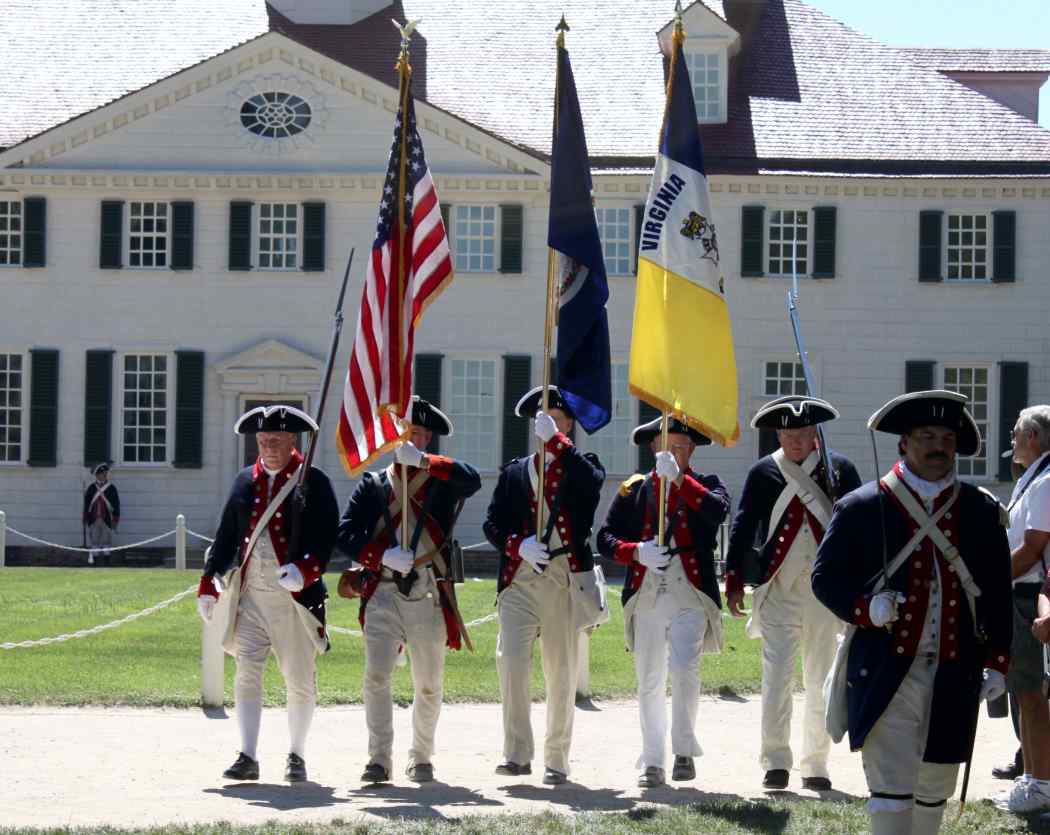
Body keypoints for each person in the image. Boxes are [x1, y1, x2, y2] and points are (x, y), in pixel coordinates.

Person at [812, 390, 1012, 835]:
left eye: (945, 436)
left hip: (956, 671)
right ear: (904, 443)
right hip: (887, 669)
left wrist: (998, 661)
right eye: (925, 435)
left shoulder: (980, 511)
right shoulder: (863, 507)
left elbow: (997, 593)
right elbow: (824, 581)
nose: (938, 446)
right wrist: (866, 609)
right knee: (890, 791)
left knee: (934, 786)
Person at [336, 396, 481, 784]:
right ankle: (379, 759)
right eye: (403, 432)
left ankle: (421, 756)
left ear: (428, 438)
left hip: (428, 592)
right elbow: (345, 534)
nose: (410, 439)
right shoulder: (374, 484)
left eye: (417, 433)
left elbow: (473, 479)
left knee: (428, 683)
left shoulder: (441, 479)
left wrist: (426, 464)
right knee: (376, 677)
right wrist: (380, 555)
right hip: (382, 591)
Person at [196, 404, 339, 783]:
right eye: (262, 440)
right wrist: (209, 582)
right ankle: (247, 754)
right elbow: (226, 536)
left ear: (293, 439)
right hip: (251, 599)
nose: (269, 446)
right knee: (246, 674)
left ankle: (296, 753)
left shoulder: (314, 481)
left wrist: (305, 570)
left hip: (293, 602)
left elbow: (326, 539)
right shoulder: (245, 480)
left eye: (276, 439)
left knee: (299, 680)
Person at [724, 395, 861, 791]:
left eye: (801, 433)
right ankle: (776, 760)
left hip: (825, 589)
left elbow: (859, 524)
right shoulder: (764, 471)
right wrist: (734, 578)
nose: (794, 441)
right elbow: (744, 523)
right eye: (786, 433)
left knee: (820, 677)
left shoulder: (840, 470)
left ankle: (816, 763)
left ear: (815, 433)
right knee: (776, 675)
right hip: (779, 587)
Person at [597, 416, 729, 788]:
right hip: (648, 591)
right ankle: (652, 760)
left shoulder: (707, 485)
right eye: (665, 445)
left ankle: (684, 750)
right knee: (649, 678)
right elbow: (604, 539)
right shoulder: (634, 489)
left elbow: (717, 513)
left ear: (691, 452)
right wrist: (635, 552)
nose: (672, 452)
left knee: (686, 669)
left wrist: (679, 481)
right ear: (653, 448)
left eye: (681, 446)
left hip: (690, 590)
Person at [483, 385, 605, 785]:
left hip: (562, 579)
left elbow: (590, 485)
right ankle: (517, 753)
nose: (551, 421)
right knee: (512, 663)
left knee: (561, 670)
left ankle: (556, 758)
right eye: (545, 417)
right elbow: (492, 524)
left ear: (569, 423)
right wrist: (518, 544)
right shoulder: (516, 471)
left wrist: (561, 443)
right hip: (519, 580)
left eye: (560, 416)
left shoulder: (583, 463)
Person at [995, 405, 1050, 812]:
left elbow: (1032, 548)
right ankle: (1032, 779)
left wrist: (988, 578)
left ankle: (1041, 783)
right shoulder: (1034, 480)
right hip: (1024, 595)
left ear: (1033, 437)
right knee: (1024, 691)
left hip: (1033, 597)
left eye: (1016, 433)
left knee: (1032, 694)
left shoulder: (1046, 482)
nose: (1012, 440)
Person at [83, 462, 119, 565]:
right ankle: (95, 564)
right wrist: (85, 517)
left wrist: (115, 519)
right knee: (94, 542)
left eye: (105, 473)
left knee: (107, 542)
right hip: (93, 519)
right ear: (97, 475)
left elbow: (116, 505)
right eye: (103, 473)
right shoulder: (91, 488)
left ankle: (107, 564)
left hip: (107, 519)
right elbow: (87, 504)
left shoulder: (112, 488)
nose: (105, 475)